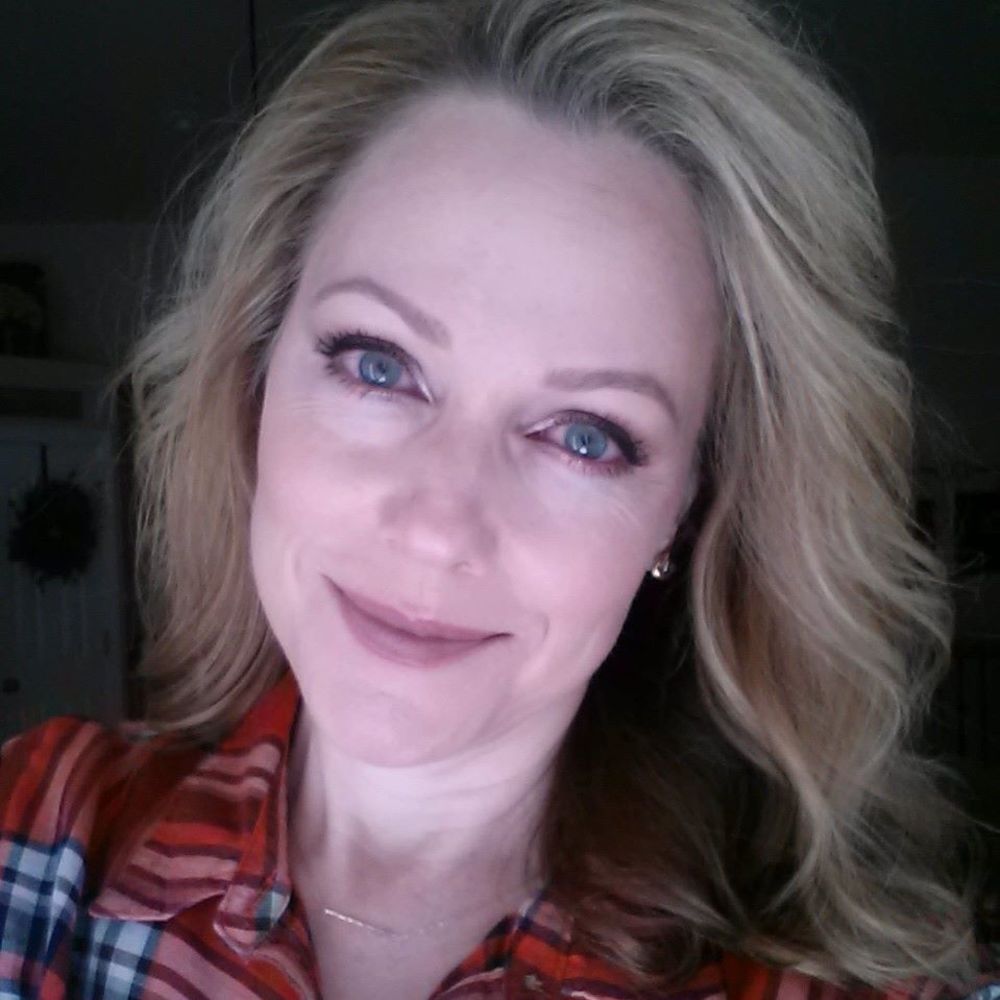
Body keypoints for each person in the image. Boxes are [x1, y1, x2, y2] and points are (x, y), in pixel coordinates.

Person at [1, 0, 997, 997]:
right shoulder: (33, 838)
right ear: (252, 380)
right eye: (379, 366)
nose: (438, 527)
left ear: (687, 512)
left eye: (585, 436)